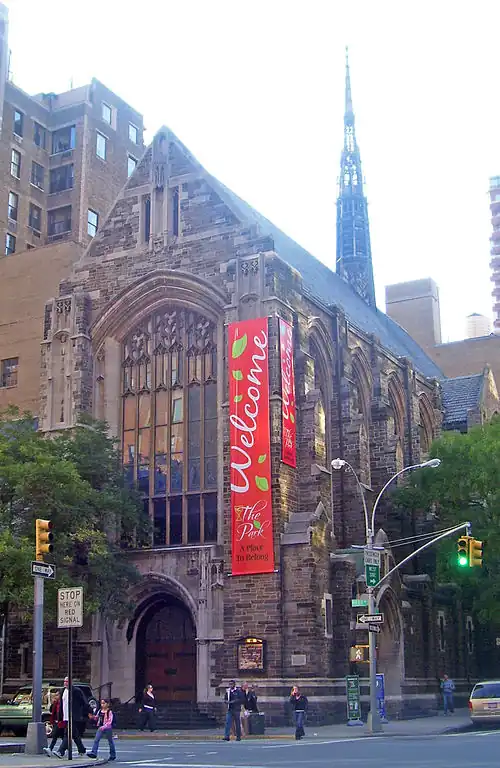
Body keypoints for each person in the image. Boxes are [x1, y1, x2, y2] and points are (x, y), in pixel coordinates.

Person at [53, 677, 90, 758]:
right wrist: (60, 716)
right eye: (64, 681)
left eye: (67, 681)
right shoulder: (63, 691)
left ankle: (61, 751)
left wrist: (87, 712)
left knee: (68, 734)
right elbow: (62, 704)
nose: (65, 683)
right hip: (65, 716)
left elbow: (84, 702)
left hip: (74, 716)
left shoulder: (76, 691)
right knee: (75, 734)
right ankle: (82, 750)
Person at [43, 692, 65, 756]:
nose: (55, 696)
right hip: (57, 721)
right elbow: (51, 710)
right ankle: (53, 749)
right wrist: (53, 703)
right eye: (55, 695)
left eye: (57, 695)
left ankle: (60, 750)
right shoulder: (56, 703)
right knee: (58, 736)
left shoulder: (63, 702)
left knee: (60, 736)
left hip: (62, 722)